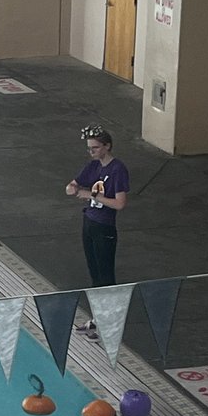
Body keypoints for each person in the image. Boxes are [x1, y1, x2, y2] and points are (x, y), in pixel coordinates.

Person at [65, 124, 129, 339]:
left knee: (106, 276)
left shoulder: (118, 170)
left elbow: (120, 203)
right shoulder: (92, 166)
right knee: (95, 275)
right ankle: (98, 319)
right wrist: (74, 188)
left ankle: (109, 324)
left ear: (107, 146)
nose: (91, 151)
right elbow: (70, 187)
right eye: (89, 148)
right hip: (89, 223)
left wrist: (91, 195)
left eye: (95, 147)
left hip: (104, 227)